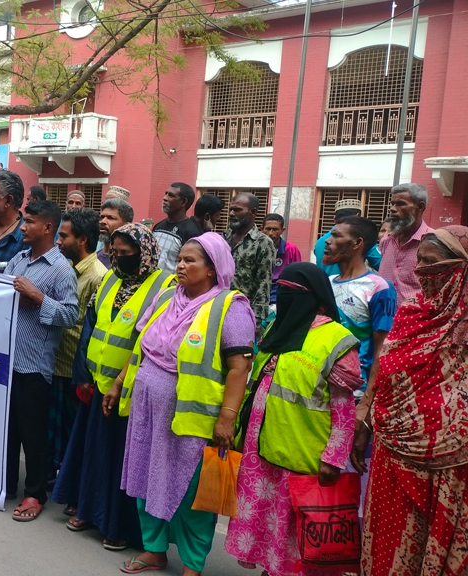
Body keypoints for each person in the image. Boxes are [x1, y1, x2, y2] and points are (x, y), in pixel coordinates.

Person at [116, 233, 256, 575]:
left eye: (190, 260)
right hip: (148, 407)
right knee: (145, 477)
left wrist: (227, 417)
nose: (180, 265)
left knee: (191, 489)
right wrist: (120, 382)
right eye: (180, 258)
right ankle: (154, 550)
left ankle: (193, 564)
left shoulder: (230, 307)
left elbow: (240, 366)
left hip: (191, 415)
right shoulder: (166, 297)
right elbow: (142, 347)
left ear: (212, 269)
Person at [225, 263, 362, 576]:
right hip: (261, 445)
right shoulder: (280, 326)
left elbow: (344, 410)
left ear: (314, 297)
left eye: (293, 292)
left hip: (301, 450)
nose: (285, 297)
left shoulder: (334, 339)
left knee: (293, 523)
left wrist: (334, 457)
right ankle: (272, 570)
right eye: (281, 289)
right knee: (267, 518)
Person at [355, 226, 468, 576]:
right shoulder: (411, 312)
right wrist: (366, 416)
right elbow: (384, 367)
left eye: (433, 264)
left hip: (452, 463)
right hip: (393, 449)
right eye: (420, 263)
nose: (423, 273)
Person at [55, 223, 173, 552]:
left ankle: (117, 525)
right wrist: (83, 375)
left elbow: (150, 344)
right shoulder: (109, 278)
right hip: (96, 380)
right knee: (92, 451)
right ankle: (87, 510)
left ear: (145, 252)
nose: (119, 259)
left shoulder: (164, 287)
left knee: (122, 461)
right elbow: (90, 326)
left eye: (127, 254)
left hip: (132, 389)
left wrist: (123, 383)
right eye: (114, 252)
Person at [4, 200, 79, 522]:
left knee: (33, 434)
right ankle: (4, 483)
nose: (22, 227)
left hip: (34, 366)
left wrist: (38, 297)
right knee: (6, 429)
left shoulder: (62, 269)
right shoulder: (18, 259)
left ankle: (35, 494)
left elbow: (70, 315)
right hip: (6, 361)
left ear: (47, 228)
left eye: (29, 222)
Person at [48, 209, 106, 490]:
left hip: (75, 368)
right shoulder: (68, 268)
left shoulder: (97, 276)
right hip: (58, 363)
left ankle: (74, 490)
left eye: (63, 236)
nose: (58, 241)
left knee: (74, 435)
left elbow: (90, 328)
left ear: (82, 239)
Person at [323, 216, 396, 386]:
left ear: (357, 243)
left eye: (336, 236)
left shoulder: (379, 288)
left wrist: (367, 399)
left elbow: (383, 349)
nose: (327, 241)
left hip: (355, 389)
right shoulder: (327, 282)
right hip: (321, 386)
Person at [225, 192, 274, 331]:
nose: (231, 213)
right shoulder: (225, 237)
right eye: (231, 209)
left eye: (237, 210)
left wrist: (256, 322)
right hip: (219, 308)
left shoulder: (263, 243)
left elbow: (264, 283)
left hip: (243, 313)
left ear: (253, 212)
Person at [379, 182, 433, 303]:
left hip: (416, 319)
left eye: (400, 204)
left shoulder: (433, 243)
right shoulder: (386, 241)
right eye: (392, 204)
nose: (392, 209)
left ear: (420, 206)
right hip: (384, 318)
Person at [312, 199, 383, 276]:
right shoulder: (360, 239)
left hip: (325, 286)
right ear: (357, 216)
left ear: (334, 219)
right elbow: (382, 266)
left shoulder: (320, 242)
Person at [152, 183, 202, 274]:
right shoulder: (158, 226)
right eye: (166, 193)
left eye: (171, 195)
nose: (165, 198)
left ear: (183, 202)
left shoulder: (191, 232)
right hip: (153, 285)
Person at [262, 213, 302, 304]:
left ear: (282, 230)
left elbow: (298, 278)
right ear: (261, 229)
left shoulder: (291, 250)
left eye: (275, 229)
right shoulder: (254, 248)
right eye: (268, 229)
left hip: (281, 297)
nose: (271, 233)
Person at [96, 197, 134, 268]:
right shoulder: (94, 257)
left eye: (111, 218)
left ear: (126, 226)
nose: (103, 221)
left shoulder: (127, 261)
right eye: (102, 217)